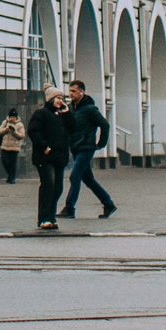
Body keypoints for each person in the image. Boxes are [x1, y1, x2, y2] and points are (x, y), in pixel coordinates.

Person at [61, 78, 117, 219]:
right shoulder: (70, 109)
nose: (71, 94)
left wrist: (100, 144)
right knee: (88, 179)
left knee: (75, 176)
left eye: (74, 91)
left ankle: (69, 208)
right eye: (70, 91)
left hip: (86, 147)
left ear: (82, 92)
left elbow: (105, 125)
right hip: (76, 147)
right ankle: (108, 204)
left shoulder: (90, 109)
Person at [28, 86, 72, 230]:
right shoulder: (41, 114)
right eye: (58, 98)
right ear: (50, 99)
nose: (61, 101)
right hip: (44, 157)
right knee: (48, 185)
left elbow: (74, 128)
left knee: (58, 188)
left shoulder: (61, 116)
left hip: (59, 157)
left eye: (62, 98)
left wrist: (67, 113)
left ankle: (51, 217)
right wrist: (45, 147)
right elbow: (33, 131)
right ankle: (43, 218)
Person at [0, 107, 26, 187]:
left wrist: (14, 132)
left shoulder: (20, 124)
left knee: (13, 163)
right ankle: (10, 174)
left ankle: (12, 177)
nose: (12, 118)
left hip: (14, 147)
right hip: (5, 146)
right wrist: (5, 130)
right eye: (11, 117)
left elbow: (22, 135)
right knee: (4, 161)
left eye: (13, 117)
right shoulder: (5, 122)